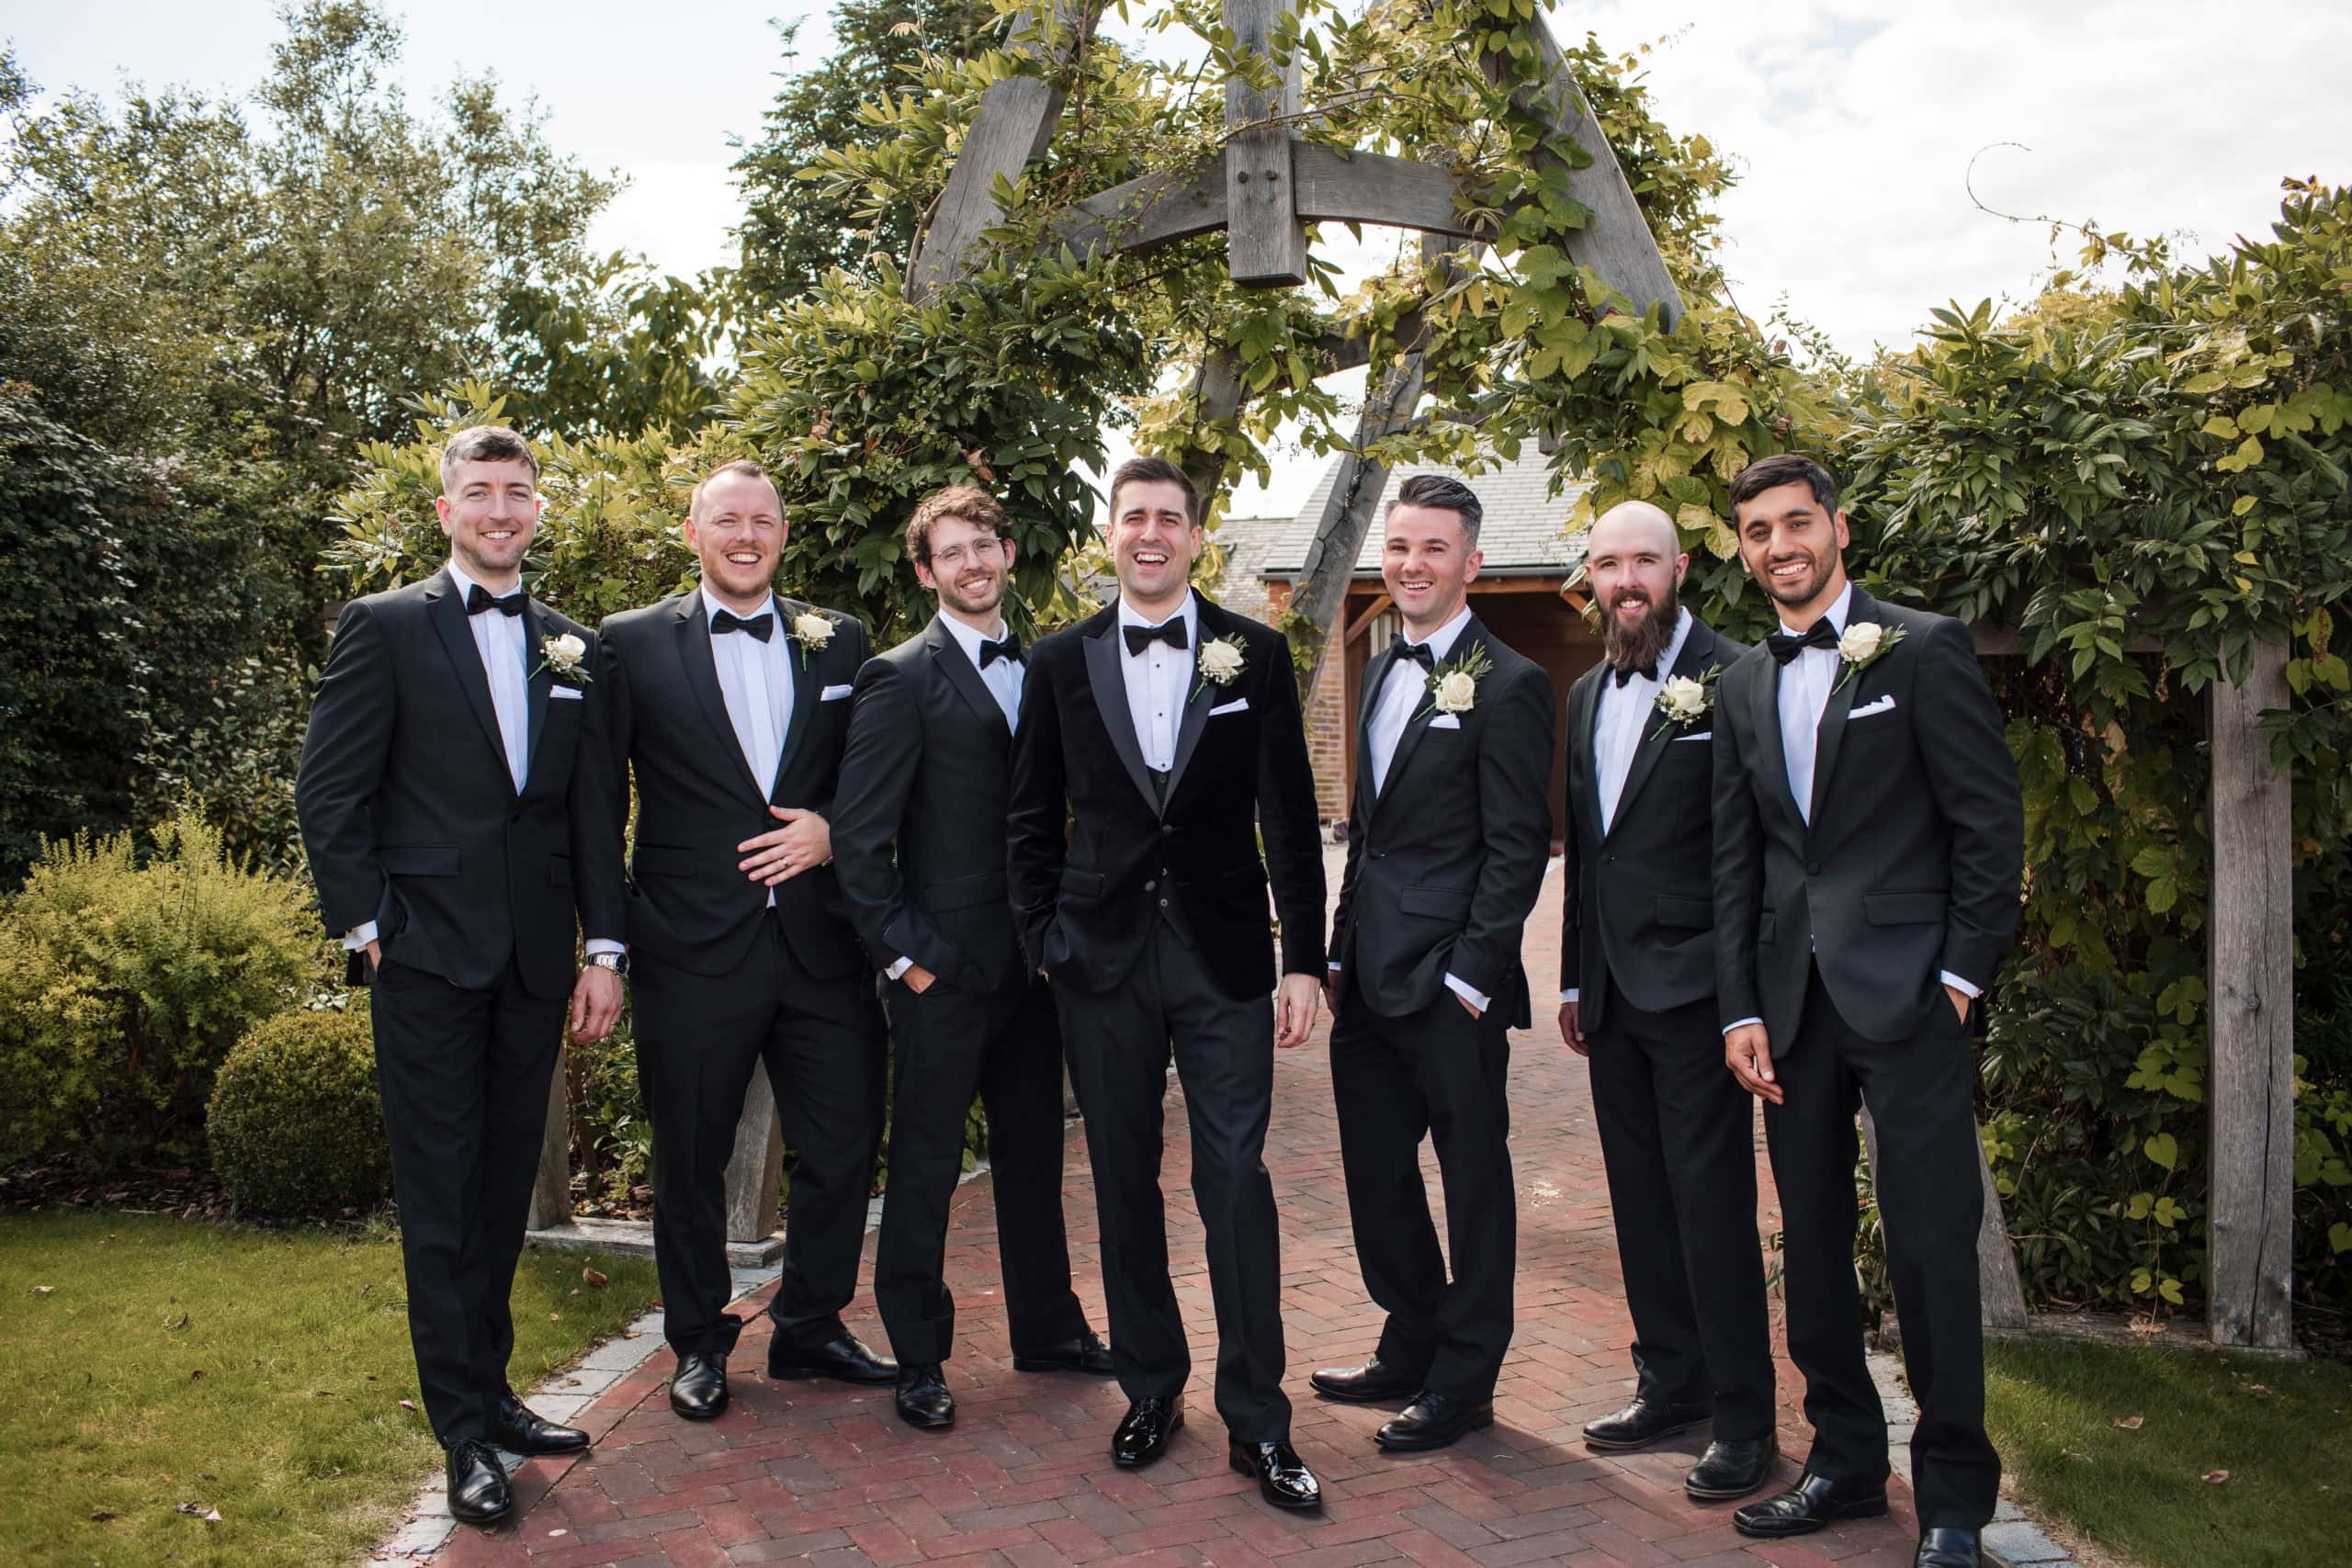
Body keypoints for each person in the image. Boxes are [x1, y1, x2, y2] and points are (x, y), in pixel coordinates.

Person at [296, 424, 624, 1528]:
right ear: (446, 511)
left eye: (516, 493)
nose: (499, 510)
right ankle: (462, 1437)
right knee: (441, 1202)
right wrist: (366, 927)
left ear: (538, 510)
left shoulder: (575, 648)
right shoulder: (385, 627)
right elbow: (329, 791)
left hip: (534, 959)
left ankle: (495, 1393)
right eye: (478, 493)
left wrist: (601, 948)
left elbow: (587, 815)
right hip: (426, 956)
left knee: (496, 1195)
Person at [1711, 454, 2023, 1568]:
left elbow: (1988, 824)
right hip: (1788, 1008)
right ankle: (1842, 1462)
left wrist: (1958, 979)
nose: (1778, 545)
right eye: (1756, 530)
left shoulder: (1922, 648)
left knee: (1932, 1246)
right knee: (1811, 1246)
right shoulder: (1743, 681)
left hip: (1909, 1000)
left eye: (1796, 523)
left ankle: (1951, 1499)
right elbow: (1735, 860)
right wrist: (1738, 1007)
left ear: (1837, 530)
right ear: (1741, 548)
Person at [1005, 455, 1327, 1510]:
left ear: (1198, 536)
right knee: (1121, 1178)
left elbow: (1288, 816)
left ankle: (1258, 1422)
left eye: (1170, 519)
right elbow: (1030, 817)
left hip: (1226, 955)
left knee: (1233, 1180)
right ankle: (1150, 1387)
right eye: (1133, 517)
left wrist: (1303, 962)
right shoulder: (1059, 660)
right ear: (1112, 535)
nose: (1151, 534)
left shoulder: (1256, 653)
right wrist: (1044, 939)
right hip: (1098, 960)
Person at [588, 459, 891, 1423]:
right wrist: (606, 943)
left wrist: (833, 831)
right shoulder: (628, 646)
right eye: (727, 521)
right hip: (689, 946)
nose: (746, 537)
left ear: (784, 534)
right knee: (689, 1157)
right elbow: (594, 807)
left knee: (843, 1147)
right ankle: (699, 1341)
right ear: (693, 533)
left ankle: (809, 1325)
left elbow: (883, 777)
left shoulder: (840, 642)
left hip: (822, 945)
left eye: (763, 521)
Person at [830, 484, 1113, 1431]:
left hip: (1034, 972)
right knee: (924, 1166)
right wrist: (908, 961)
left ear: (1005, 551)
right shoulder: (897, 678)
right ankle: (918, 1355)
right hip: (940, 972)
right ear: (925, 572)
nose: (973, 562)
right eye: (952, 552)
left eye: (984, 544)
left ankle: (1048, 1328)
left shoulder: (1047, 668)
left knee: (1035, 1159)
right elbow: (862, 844)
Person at [1310, 474, 1554, 1452]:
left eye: (1433, 549)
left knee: (1472, 1181)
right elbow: (1367, 833)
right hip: (1365, 977)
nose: (1412, 564)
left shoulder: (1514, 683)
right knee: (1374, 1172)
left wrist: (1471, 975)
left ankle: (1466, 1373)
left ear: (1471, 564)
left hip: (1452, 986)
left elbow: (1516, 846)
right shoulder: (1377, 670)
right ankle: (1410, 1332)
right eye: (1400, 547)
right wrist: (1334, 952)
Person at [1556, 500, 1774, 1501]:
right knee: (1640, 1205)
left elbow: (1750, 854)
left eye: (1643, 560)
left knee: (1711, 1207)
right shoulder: (1583, 695)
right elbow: (1588, 854)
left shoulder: (1734, 678)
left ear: (1680, 566)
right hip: (1609, 995)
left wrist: (1741, 1001)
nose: (1626, 580)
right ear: (1590, 578)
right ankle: (1670, 1385)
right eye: (1608, 564)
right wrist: (1570, 975)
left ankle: (1743, 1418)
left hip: (1697, 995)